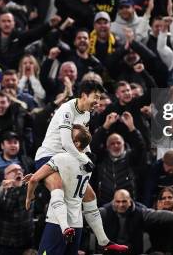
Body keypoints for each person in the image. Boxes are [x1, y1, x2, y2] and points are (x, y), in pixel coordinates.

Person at [32, 80, 127, 252]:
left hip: (69, 158)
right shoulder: (66, 110)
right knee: (57, 186)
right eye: (95, 97)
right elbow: (68, 143)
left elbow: (83, 141)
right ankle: (63, 227)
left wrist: (89, 154)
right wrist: (85, 160)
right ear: (83, 95)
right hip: (48, 157)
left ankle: (104, 241)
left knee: (89, 195)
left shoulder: (86, 114)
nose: (97, 102)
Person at [26, 124, 93, 254]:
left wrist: (29, 197)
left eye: (69, 137)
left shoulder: (60, 158)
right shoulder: (88, 163)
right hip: (77, 222)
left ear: (77, 143)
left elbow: (34, 180)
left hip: (58, 222)